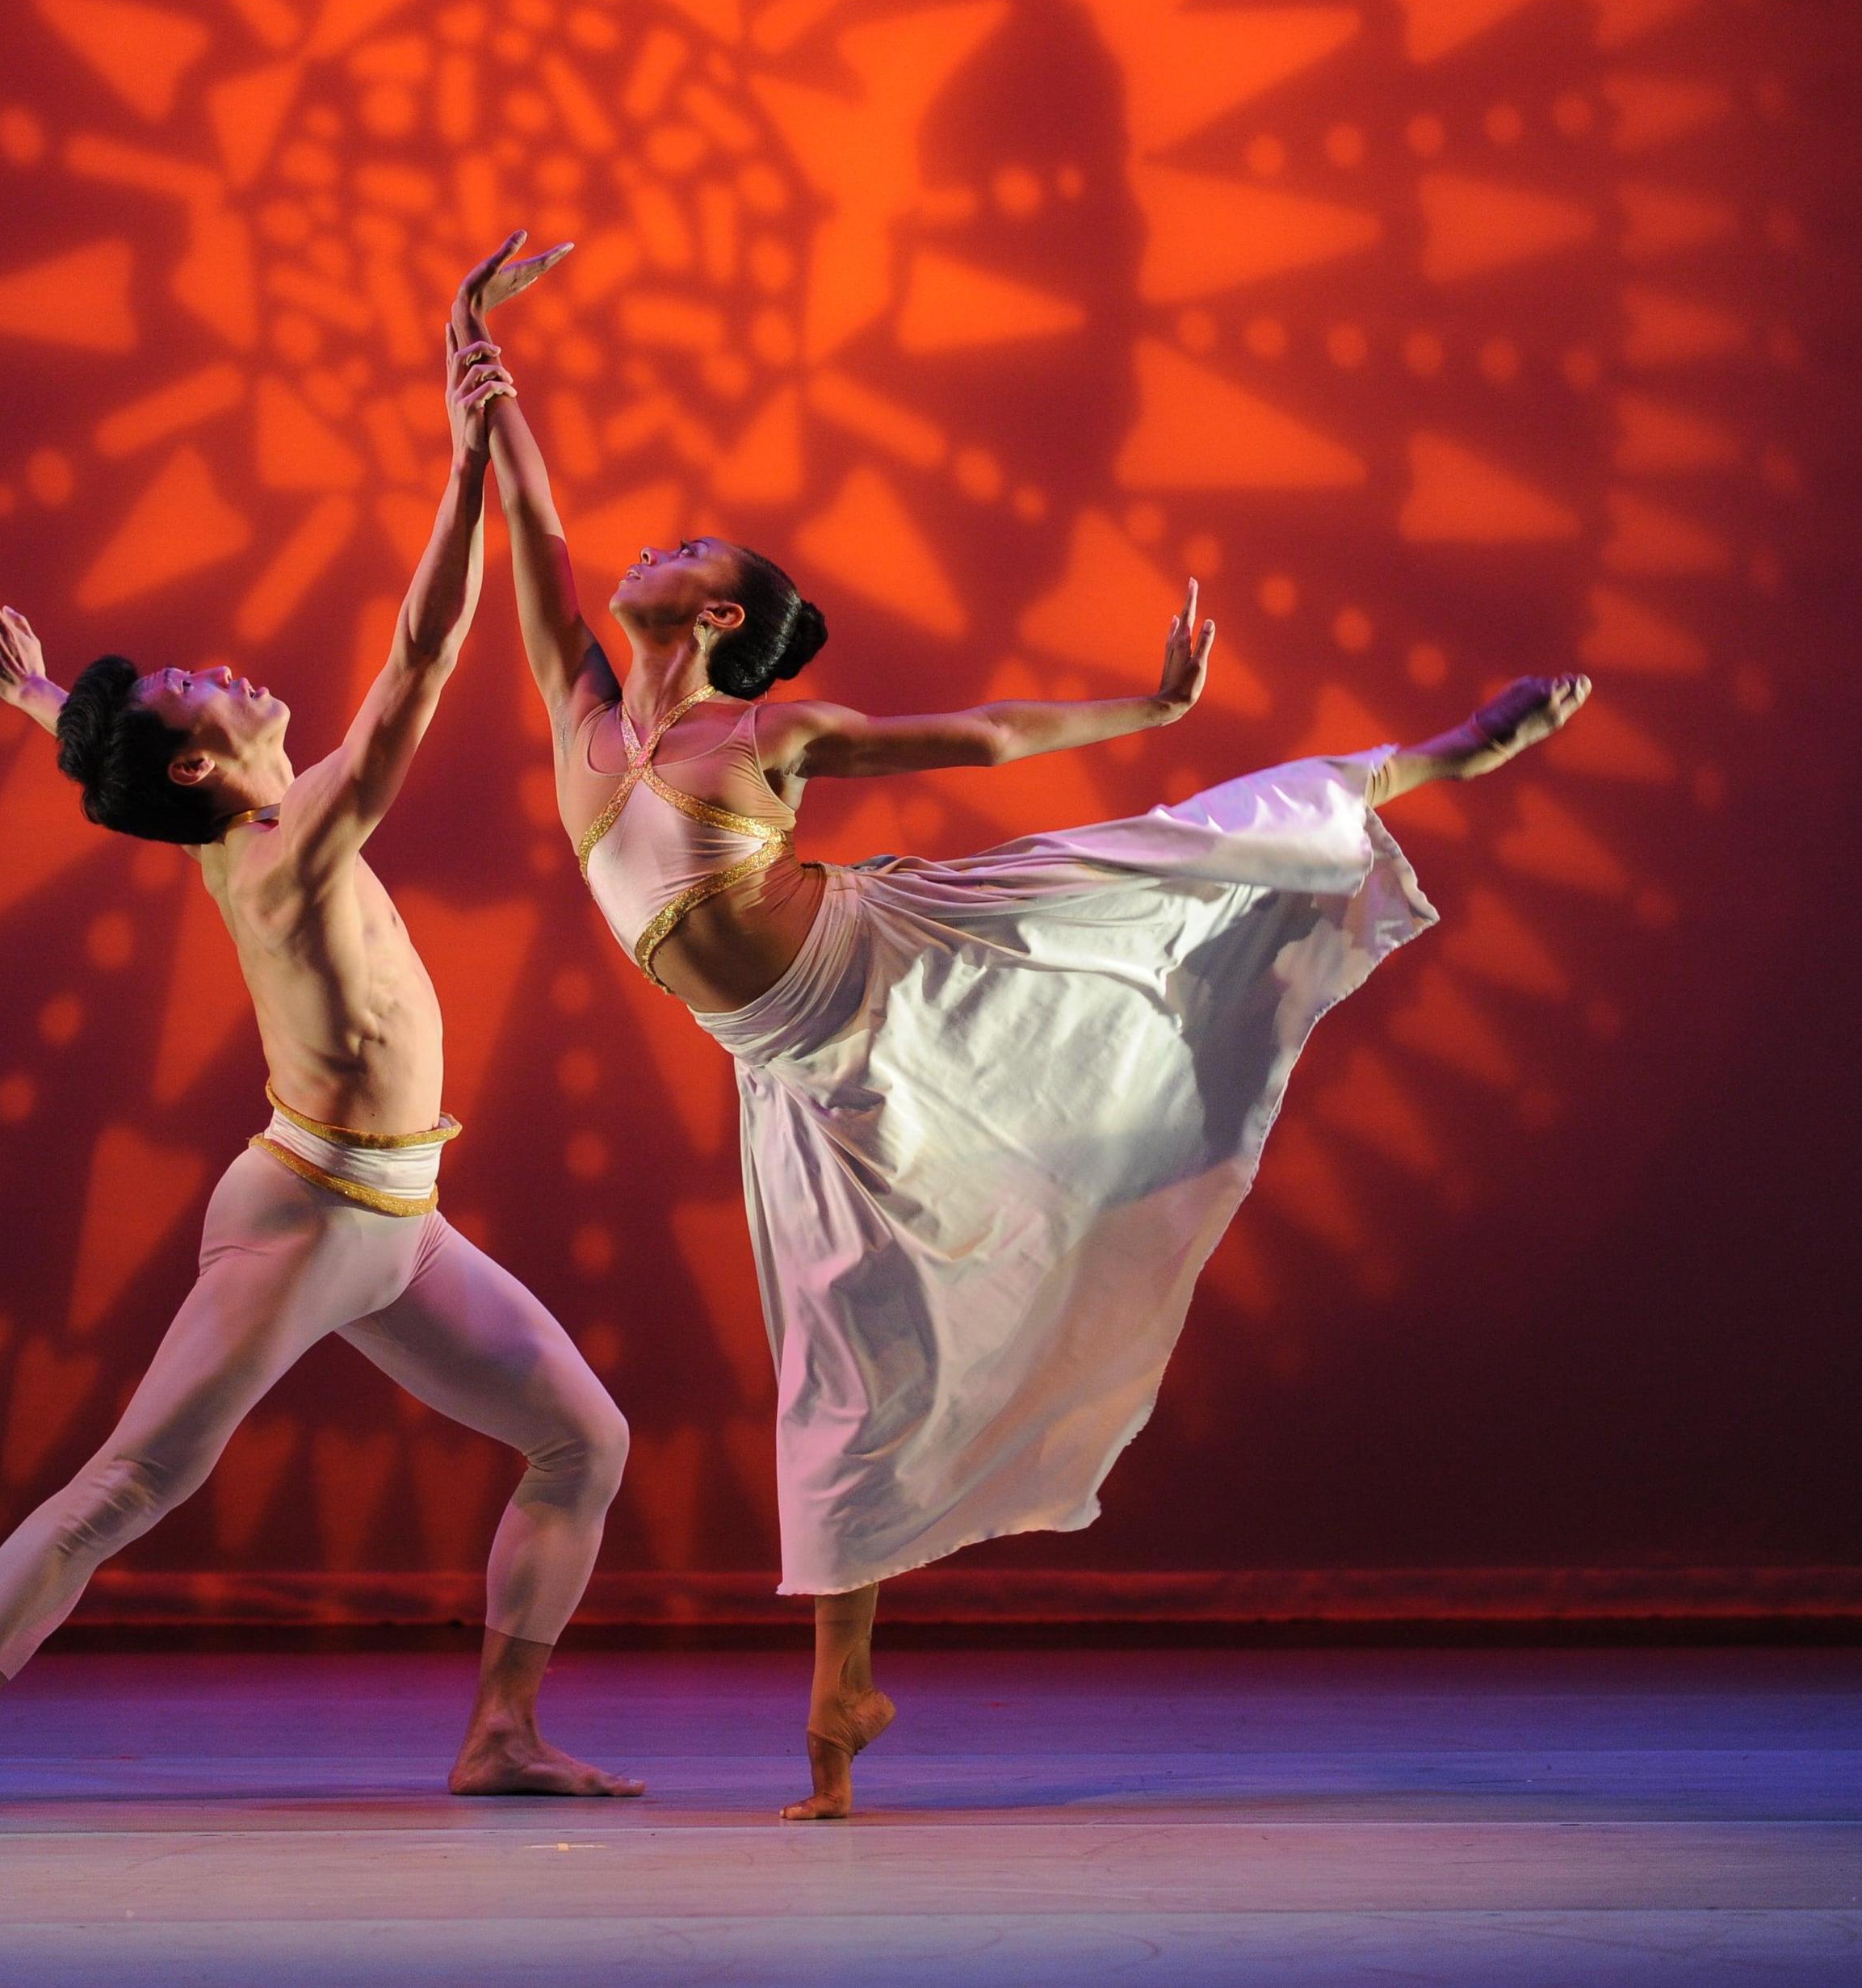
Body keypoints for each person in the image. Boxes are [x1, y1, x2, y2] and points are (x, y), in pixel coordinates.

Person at [455, 240, 1590, 1818]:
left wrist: (1147, 715)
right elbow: (532, 526)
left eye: (686, 543)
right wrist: (476, 357)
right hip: (793, 1070)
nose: (642, 544)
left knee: (1162, 865)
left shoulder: (772, 731)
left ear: (714, 610)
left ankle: (1436, 756)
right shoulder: (581, 710)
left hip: (897, 960)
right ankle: (843, 1697)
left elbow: (977, 735)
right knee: (853, 1360)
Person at [0, 254, 640, 1818]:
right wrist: (468, 449)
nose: (216, 665)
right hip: (308, 1221)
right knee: (133, 1483)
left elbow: (125, 777)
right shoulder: (292, 841)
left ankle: (499, 1738)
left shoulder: (237, 822)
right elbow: (426, 656)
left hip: (393, 1215)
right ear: (211, 770)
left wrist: (36, 693)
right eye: (189, 689)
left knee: (583, 1438)